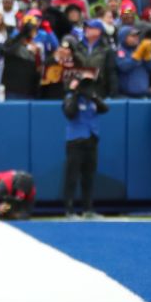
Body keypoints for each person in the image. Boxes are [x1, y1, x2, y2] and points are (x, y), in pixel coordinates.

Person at [61, 77, 109, 218]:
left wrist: (93, 96)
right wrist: (75, 94)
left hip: (91, 141)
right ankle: (69, 210)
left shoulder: (92, 99)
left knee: (88, 177)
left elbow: (105, 108)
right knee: (72, 176)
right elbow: (70, 113)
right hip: (75, 142)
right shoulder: (70, 97)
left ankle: (88, 209)